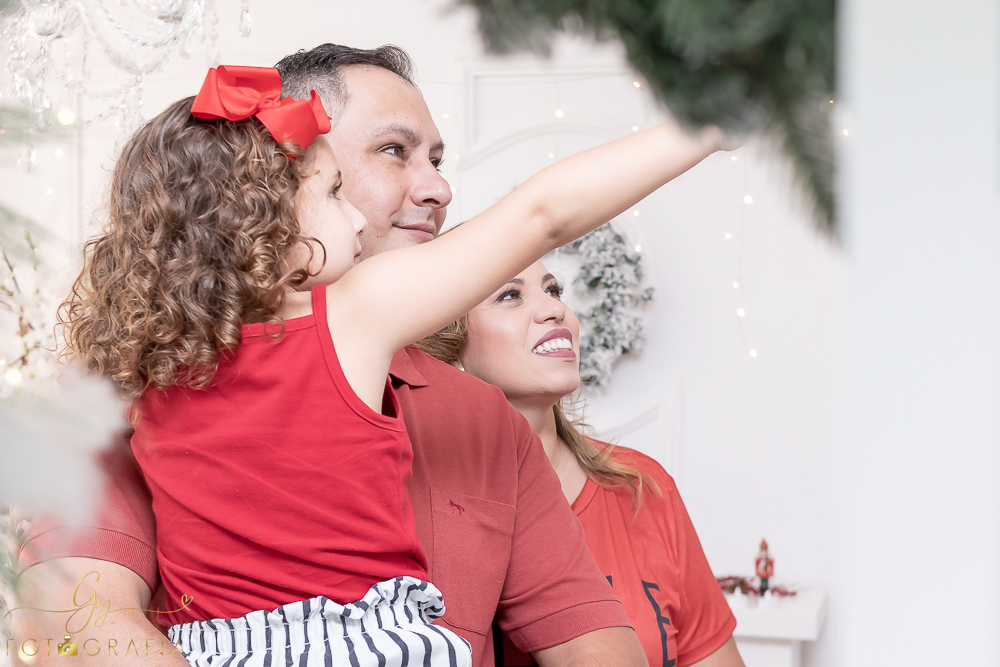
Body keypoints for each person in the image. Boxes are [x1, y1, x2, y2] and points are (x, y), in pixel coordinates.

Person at [12, 44, 720, 667]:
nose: (438, 187)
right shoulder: (352, 316)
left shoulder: (152, 373)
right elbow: (65, 619)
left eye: (437, 160)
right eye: (391, 152)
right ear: (264, 205)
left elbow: (589, 634)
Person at [418, 261, 745, 667]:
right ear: (451, 351)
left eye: (553, 290)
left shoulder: (642, 485)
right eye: (510, 295)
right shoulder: (419, 503)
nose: (554, 309)